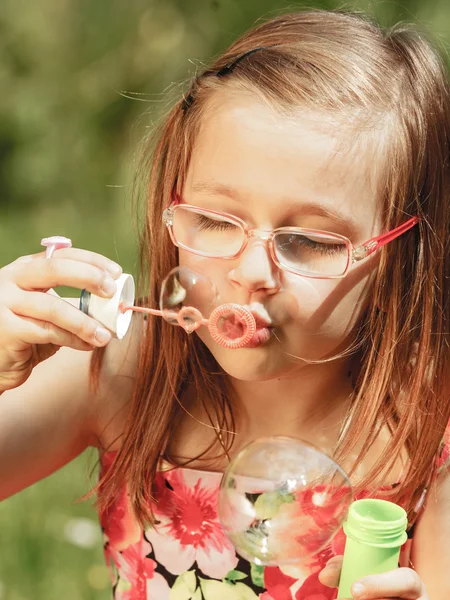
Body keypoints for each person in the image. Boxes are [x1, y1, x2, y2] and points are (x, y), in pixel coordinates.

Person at [0, 8, 449, 600]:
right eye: (213, 220)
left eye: (311, 241)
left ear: (404, 248)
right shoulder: (121, 371)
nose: (252, 273)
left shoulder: (428, 438)